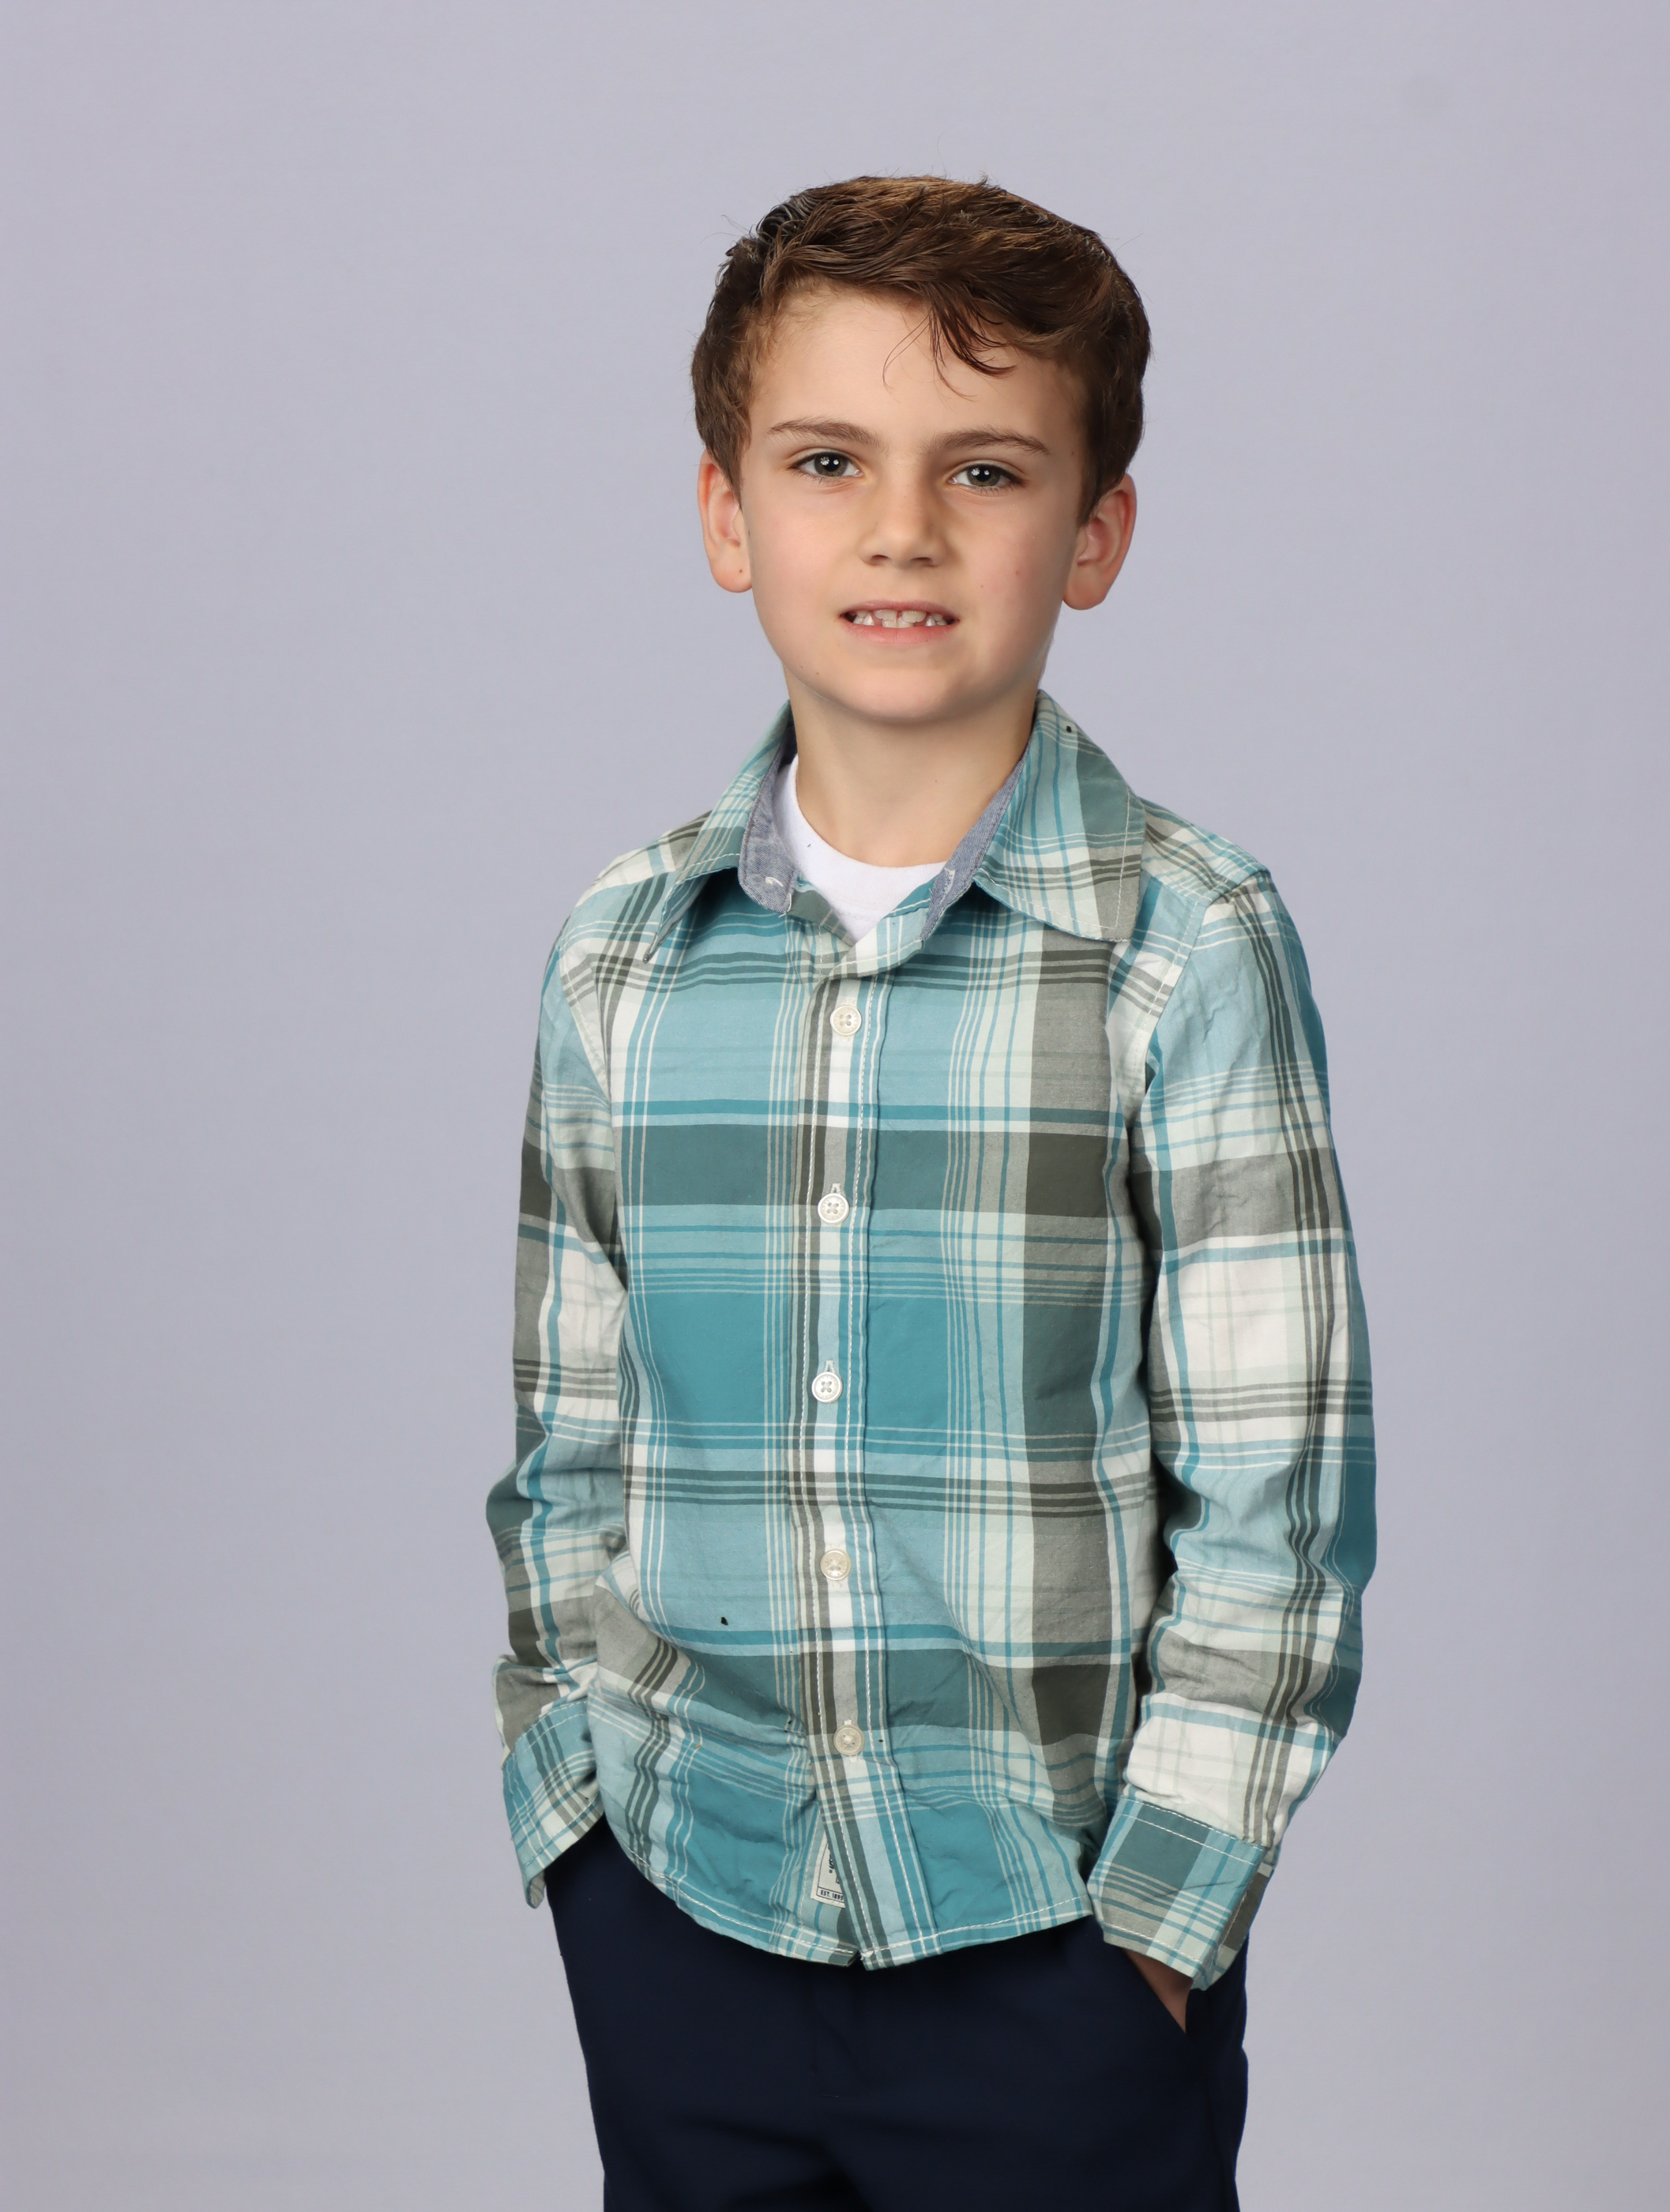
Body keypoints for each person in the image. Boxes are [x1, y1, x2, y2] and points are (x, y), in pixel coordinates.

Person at [487, 175, 1375, 2212]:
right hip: (684, 1920)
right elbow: (570, 1444)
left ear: (1097, 531)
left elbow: (1279, 1500)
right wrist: (575, 1825)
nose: (903, 528)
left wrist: (1157, 1931)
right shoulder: (622, 954)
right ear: (727, 515)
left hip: (1054, 1954)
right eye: (828, 462)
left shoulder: (1188, 944)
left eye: (985, 468)